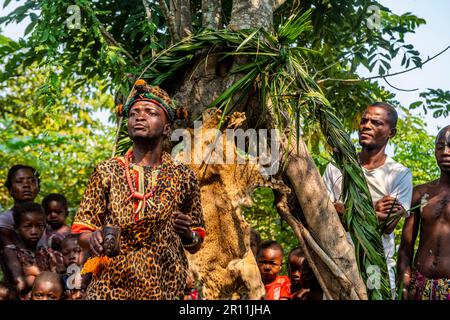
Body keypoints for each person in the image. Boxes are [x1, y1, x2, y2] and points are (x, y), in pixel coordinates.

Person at [71, 79, 205, 299]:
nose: (139, 117)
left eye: (150, 112)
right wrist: (93, 237)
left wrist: (187, 233)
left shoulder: (184, 176)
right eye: (133, 114)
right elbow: (82, 231)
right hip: (110, 287)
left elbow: (196, 242)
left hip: (165, 287)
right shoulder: (106, 170)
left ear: (167, 128)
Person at [322, 102, 413, 297]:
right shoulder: (336, 167)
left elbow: (387, 224)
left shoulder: (399, 174)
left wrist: (341, 209)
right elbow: (323, 213)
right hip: (336, 261)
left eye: (376, 122)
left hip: (376, 265)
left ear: (391, 132)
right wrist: (373, 207)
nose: (367, 125)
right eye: (364, 121)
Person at [397, 125, 450, 300]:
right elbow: (406, 247)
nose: (445, 152)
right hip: (421, 285)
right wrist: (404, 287)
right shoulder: (421, 193)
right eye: (440, 146)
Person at [0, 202, 63, 299]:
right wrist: (43, 276)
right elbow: (20, 284)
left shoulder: (46, 252)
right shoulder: (11, 252)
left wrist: (35, 273)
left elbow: (57, 279)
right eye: (28, 226)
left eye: (39, 226)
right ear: (17, 229)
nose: (34, 231)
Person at [0, 165, 40, 296]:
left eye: (31, 181)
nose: (26, 185)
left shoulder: (48, 218)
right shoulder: (4, 221)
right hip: (17, 289)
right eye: (19, 181)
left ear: (38, 187)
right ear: (11, 190)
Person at [61, 234, 90, 300]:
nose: (72, 256)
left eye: (77, 251)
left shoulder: (92, 276)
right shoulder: (61, 281)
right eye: (66, 253)